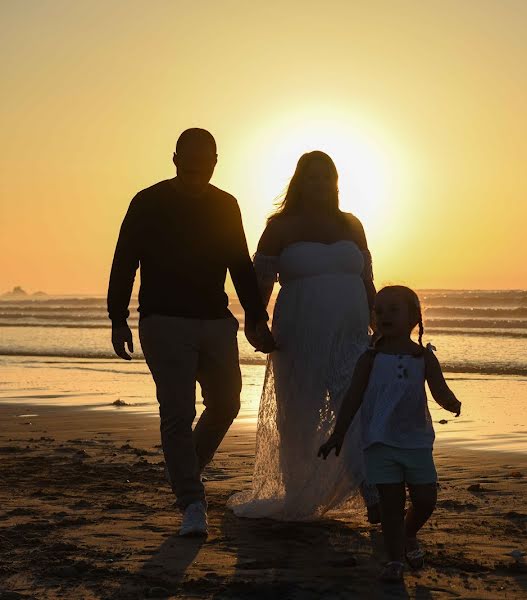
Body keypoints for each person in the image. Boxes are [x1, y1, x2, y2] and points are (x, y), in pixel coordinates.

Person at [107, 128, 275, 537]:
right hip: (163, 322)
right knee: (178, 413)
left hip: (216, 322)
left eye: (207, 156)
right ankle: (192, 501)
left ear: (216, 161)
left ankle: (185, 473)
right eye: (191, 154)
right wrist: (117, 317)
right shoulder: (148, 202)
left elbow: (239, 262)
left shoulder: (225, 205)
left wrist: (256, 315)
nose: (199, 162)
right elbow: (125, 259)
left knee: (227, 404)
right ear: (176, 157)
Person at [227, 151, 380, 520]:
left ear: (336, 182)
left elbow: (367, 280)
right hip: (299, 332)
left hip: (352, 334)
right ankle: (300, 495)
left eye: (326, 177)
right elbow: (259, 284)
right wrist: (254, 323)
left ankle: (371, 491)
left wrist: (384, 327)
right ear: (299, 181)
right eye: (312, 177)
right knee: (299, 414)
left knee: (357, 408)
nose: (320, 184)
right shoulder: (280, 227)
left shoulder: (352, 225)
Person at [319, 285, 462, 582]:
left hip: (416, 441)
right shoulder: (369, 358)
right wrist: (338, 433)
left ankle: (409, 534)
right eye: (379, 310)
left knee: (425, 500)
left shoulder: (423, 357)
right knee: (390, 506)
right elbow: (353, 398)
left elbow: (438, 388)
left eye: (393, 310)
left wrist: (450, 401)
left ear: (413, 318)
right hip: (379, 441)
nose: (384, 315)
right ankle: (395, 559)